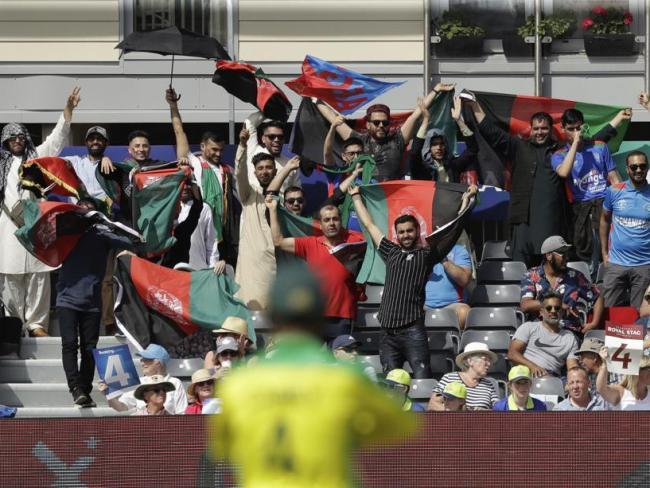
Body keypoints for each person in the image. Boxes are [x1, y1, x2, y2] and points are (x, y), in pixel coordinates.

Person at [209, 264, 416, 487]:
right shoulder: (346, 380)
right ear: (320, 315)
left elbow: (224, 446)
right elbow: (400, 426)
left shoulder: (238, 386)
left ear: (271, 316)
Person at [465, 99, 625, 267]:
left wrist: (616, 121)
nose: (540, 132)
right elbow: (491, 132)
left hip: (553, 221)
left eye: (544, 128)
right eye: (536, 128)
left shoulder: (560, 151)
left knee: (553, 269)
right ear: (530, 129)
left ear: (551, 130)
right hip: (523, 221)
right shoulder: (517, 146)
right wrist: (475, 106)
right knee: (522, 270)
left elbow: (590, 142)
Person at [350, 183, 477, 378]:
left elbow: (453, 228)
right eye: (401, 232)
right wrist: (356, 196)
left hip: (413, 331)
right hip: (387, 332)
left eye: (409, 231)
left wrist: (468, 201)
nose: (405, 235)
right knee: (392, 384)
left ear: (417, 231)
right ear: (396, 234)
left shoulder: (426, 254)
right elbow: (369, 224)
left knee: (421, 379)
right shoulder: (389, 251)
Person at [0, 86, 80, 337]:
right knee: (10, 276)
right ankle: (13, 324)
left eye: (21, 138)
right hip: (7, 226)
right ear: (5, 141)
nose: (18, 142)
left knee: (38, 275)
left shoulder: (37, 158)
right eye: (13, 138)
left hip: (36, 224)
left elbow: (56, 138)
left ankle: (36, 324)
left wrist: (68, 109)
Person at [57, 198, 135, 408]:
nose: (85, 213)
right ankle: (76, 389)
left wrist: (107, 224)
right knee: (70, 344)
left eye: (90, 211)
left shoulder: (101, 234)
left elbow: (132, 243)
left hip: (92, 302)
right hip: (66, 299)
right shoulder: (66, 230)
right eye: (81, 210)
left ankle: (84, 390)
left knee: (90, 348)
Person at [267, 195, 365, 342]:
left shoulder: (355, 241)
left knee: (339, 363)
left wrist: (357, 199)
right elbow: (278, 241)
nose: (331, 223)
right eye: (326, 220)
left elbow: (372, 231)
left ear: (341, 221)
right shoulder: (310, 244)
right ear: (320, 224)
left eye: (335, 219)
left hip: (343, 316)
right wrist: (273, 210)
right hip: (315, 317)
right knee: (315, 363)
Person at [316, 83, 456, 181]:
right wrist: (314, 98)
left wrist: (436, 90)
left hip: (390, 199)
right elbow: (332, 118)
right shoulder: (359, 140)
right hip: (364, 197)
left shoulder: (397, 140)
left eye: (385, 122)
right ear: (368, 124)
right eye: (376, 123)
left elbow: (417, 114)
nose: (381, 125)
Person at [167, 88, 240, 266]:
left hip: (223, 233)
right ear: (203, 146)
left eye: (221, 150)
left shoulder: (227, 170)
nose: (218, 153)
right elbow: (179, 131)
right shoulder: (194, 162)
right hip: (200, 225)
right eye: (214, 149)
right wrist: (173, 105)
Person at [551, 108, 621, 266]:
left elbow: (614, 178)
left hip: (605, 203)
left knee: (612, 250)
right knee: (587, 252)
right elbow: (563, 172)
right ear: (562, 129)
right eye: (571, 129)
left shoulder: (600, 146)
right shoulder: (559, 155)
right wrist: (575, 142)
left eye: (579, 128)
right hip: (581, 209)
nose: (576, 132)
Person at [520, 235, 603, 335]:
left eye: (567, 254)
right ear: (549, 255)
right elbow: (525, 305)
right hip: (539, 330)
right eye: (562, 254)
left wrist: (594, 323)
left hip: (568, 331)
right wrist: (558, 305)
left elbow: (597, 297)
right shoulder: (531, 275)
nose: (566, 258)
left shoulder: (575, 277)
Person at [599, 150, 650, 309]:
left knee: (639, 314)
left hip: (644, 265)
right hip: (616, 263)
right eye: (634, 167)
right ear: (627, 169)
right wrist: (604, 253)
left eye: (642, 166)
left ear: (647, 168)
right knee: (608, 310)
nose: (638, 170)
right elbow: (604, 220)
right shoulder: (614, 191)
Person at [234, 128, 278, 310]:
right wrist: (243, 146)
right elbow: (239, 173)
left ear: (275, 170)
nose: (265, 172)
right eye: (260, 168)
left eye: (268, 168)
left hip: (278, 264)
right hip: (253, 267)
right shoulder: (248, 194)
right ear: (255, 172)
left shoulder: (286, 197)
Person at [99, 343, 188, 414]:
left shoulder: (175, 383)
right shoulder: (140, 382)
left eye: (146, 359)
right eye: (141, 359)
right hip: (143, 429)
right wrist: (108, 394)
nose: (141, 362)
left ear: (158, 362)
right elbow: (121, 407)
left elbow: (182, 413)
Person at [509, 291, 580, 378]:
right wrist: (532, 366)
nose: (553, 311)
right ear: (541, 312)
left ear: (561, 312)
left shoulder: (570, 338)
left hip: (553, 379)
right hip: (527, 375)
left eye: (557, 308)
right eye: (549, 308)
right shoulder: (528, 327)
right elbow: (512, 354)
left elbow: (572, 367)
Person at [410, 95, 479, 184]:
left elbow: (473, 149)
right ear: (427, 147)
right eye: (434, 144)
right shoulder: (420, 168)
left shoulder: (452, 166)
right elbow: (415, 153)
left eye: (442, 144)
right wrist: (426, 120)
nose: (439, 147)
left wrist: (459, 121)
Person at [160, 179, 225, 272]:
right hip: (170, 274)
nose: (185, 187)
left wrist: (212, 268)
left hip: (198, 271)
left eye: (188, 184)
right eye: (182, 183)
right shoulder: (167, 211)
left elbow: (211, 243)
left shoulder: (204, 209)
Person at [428, 342, 499, 411]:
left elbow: (498, 409)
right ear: (470, 361)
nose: (489, 364)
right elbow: (433, 404)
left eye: (489, 360)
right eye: (485, 359)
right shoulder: (449, 378)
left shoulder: (488, 384)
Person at [244, 111, 300, 192]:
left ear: (284, 139)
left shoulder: (291, 164)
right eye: (271, 136)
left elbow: (296, 192)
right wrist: (269, 111)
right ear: (263, 139)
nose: (276, 140)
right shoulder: (253, 151)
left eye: (280, 137)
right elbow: (249, 123)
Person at [424, 242, 472, 330]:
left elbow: (464, 280)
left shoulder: (459, 250)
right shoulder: (420, 251)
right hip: (423, 306)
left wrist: (444, 261)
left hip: (452, 305)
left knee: (465, 312)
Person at [64, 125, 114, 208]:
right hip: (77, 211)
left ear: (106, 143)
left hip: (101, 213)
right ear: (86, 143)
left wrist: (105, 159)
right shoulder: (75, 161)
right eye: (91, 139)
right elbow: (50, 161)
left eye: (99, 139)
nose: (95, 141)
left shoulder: (112, 167)